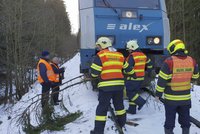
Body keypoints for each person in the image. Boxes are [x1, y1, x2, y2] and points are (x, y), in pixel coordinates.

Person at [155, 39, 199, 134]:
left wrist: (158, 94)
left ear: (172, 49)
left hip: (171, 100)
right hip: (186, 99)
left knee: (169, 122)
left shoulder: (169, 62)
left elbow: (161, 80)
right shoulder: (192, 60)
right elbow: (195, 76)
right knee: (185, 121)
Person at [90, 37, 132, 134]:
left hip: (105, 87)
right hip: (119, 86)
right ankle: (121, 123)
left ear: (102, 45)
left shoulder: (100, 55)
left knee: (102, 108)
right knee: (119, 106)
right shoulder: (119, 55)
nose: (98, 48)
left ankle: (98, 131)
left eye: (98, 46)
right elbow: (128, 69)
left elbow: (94, 73)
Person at [125, 40, 153, 114]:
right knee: (134, 93)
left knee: (130, 93)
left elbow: (129, 67)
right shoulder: (143, 55)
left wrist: (124, 72)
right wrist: (149, 72)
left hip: (133, 78)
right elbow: (150, 63)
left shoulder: (132, 56)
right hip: (140, 78)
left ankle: (141, 102)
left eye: (129, 50)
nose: (128, 51)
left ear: (132, 48)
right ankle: (132, 110)